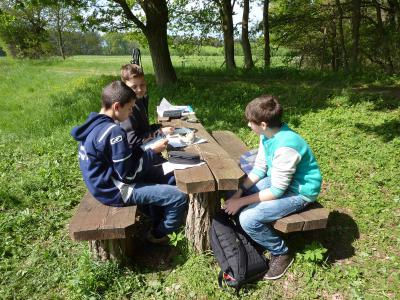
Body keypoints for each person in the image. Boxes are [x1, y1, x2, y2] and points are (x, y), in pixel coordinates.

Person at [70, 81, 188, 243]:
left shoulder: (94, 125)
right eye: (130, 108)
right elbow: (129, 175)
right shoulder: (114, 132)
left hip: (104, 184)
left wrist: (147, 152)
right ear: (117, 106)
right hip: (114, 190)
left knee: (167, 171)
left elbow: (125, 157)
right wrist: (152, 152)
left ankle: (156, 215)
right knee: (179, 196)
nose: (131, 112)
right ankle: (159, 233)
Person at [223, 95, 322, 280]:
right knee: (233, 190)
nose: (247, 125)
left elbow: (277, 191)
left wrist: (241, 202)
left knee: (248, 218)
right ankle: (254, 235)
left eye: (250, 122)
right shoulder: (267, 134)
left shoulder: (286, 147)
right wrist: (238, 193)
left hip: (299, 191)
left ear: (262, 124)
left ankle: (281, 252)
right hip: (280, 181)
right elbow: (260, 168)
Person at [119, 64, 174, 152]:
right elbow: (132, 141)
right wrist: (160, 132)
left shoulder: (139, 100)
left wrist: (159, 127)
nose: (140, 89)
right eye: (134, 87)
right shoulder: (126, 110)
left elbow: (143, 129)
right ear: (124, 87)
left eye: (142, 85)